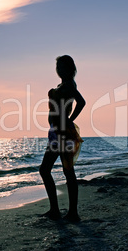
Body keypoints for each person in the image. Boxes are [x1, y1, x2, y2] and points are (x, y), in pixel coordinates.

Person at [39, 55, 86, 222]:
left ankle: (66, 212)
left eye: (62, 67)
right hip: (55, 132)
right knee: (64, 171)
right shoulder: (62, 85)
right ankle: (60, 211)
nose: (59, 70)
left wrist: (70, 120)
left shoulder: (69, 85)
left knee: (47, 170)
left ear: (70, 68)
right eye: (58, 67)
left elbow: (81, 102)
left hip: (62, 133)